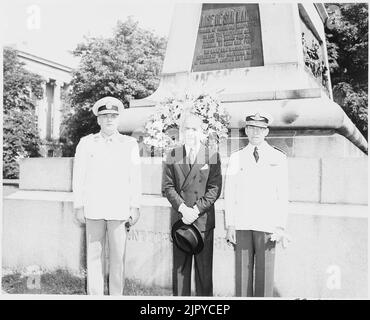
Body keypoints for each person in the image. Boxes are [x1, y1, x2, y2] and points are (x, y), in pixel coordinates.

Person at [72, 96, 141, 295]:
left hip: (119, 209)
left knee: (118, 258)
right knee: (94, 257)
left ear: (118, 119)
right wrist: (79, 206)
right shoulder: (86, 143)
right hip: (93, 208)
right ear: (98, 120)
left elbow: (135, 178)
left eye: (113, 116)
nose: (109, 119)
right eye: (104, 116)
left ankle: (116, 296)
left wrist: (135, 206)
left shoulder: (130, 144)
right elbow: (79, 177)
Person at [224, 112, 290, 297]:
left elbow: (283, 194)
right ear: (246, 130)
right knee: (242, 277)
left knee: (265, 277)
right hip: (243, 224)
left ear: (266, 131)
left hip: (268, 225)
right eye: (252, 128)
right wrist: (230, 225)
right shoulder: (236, 158)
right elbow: (229, 194)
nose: (256, 132)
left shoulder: (279, 157)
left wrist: (281, 226)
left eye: (260, 128)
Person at [162, 109, 222, 296]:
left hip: (202, 221)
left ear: (201, 131)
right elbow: (168, 187)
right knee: (180, 272)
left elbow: (214, 189)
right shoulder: (173, 155)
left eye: (194, 129)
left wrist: (195, 210)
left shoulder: (212, 155)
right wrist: (183, 209)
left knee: (204, 274)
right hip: (181, 222)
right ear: (181, 132)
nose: (190, 133)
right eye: (186, 129)